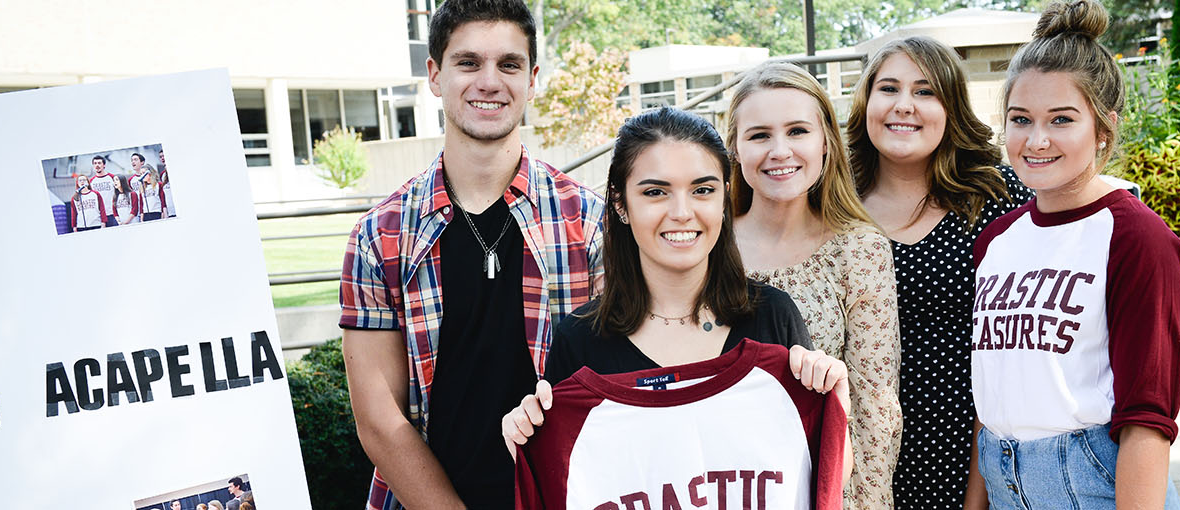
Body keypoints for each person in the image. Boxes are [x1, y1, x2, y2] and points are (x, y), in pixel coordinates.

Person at [338, 0, 604, 508]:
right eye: (468, 63)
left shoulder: (589, 224)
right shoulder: (379, 236)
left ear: (532, 78)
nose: (489, 81)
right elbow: (379, 420)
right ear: (435, 75)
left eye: (508, 64)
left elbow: (614, 386)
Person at [500, 106, 850, 471]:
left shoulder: (773, 315)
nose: (682, 212)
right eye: (656, 192)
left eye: (702, 189)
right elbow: (568, 482)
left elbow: (823, 480)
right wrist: (528, 445)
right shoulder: (579, 339)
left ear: (724, 197)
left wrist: (836, 401)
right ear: (621, 203)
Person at [966, 2, 1180, 508]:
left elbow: (1147, 417)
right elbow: (993, 389)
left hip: (1092, 484)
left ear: (1103, 127)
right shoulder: (997, 239)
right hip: (1001, 478)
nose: (1036, 140)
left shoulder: (1135, 237)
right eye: (1020, 119)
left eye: (1061, 119)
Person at [844, 35, 1034, 509]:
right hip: (862, 460)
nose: (904, 105)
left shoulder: (999, 198)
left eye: (925, 92)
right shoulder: (831, 205)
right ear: (866, 101)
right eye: (888, 89)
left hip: (979, 458)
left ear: (951, 107)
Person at [725, 62, 901, 507]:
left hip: (822, 489)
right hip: (717, 481)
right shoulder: (707, 245)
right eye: (760, 135)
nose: (779, 150)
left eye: (798, 131)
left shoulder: (858, 250)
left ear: (825, 141)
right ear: (735, 149)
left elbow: (874, 408)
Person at [86, 155, 119, 226]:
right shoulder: (91, 181)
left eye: (99, 163)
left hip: (112, 214)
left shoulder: (113, 178)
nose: (97, 165)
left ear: (104, 165)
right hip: (98, 216)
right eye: (95, 163)